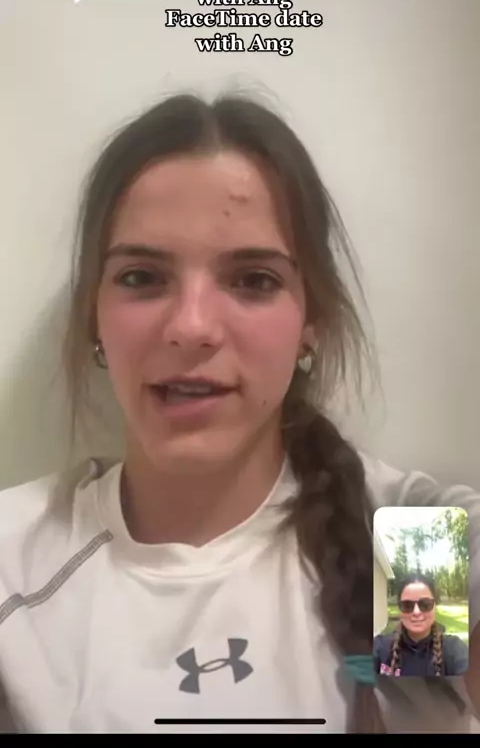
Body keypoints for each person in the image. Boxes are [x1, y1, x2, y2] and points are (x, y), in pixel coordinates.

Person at [0, 92, 478, 734]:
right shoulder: (15, 572)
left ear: (311, 321)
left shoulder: (409, 547)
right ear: (95, 316)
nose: (192, 326)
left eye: (254, 279)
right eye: (142, 277)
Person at [374, 574, 469, 677]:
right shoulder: (379, 647)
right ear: (400, 609)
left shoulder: (455, 650)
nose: (416, 612)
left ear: (435, 606)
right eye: (407, 605)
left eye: (425, 604)